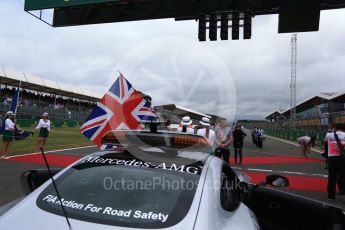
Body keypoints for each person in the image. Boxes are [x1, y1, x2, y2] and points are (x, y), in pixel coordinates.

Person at [324, 123, 345, 200]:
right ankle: (342, 190)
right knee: (343, 175)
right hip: (342, 158)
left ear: (336, 128)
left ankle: (331, 195)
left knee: (332, 177)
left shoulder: (329, 135)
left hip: (332, 158)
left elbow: (325, 142)